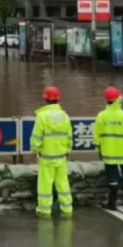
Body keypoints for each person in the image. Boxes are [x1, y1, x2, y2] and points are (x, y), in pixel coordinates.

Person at [92, 86, 123, 210]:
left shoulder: (101, 116)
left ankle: (112, 203)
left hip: (109, 154)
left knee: (112, 179)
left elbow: (96, 136)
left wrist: (99, 151)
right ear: (117, 99)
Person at [30, 86, 73, 217]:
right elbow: (69, 136)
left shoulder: (42, 116)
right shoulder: (64, 116)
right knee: (63, 183)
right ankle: (67, 208)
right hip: (61, 156)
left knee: (45, 184)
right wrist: (68, 150)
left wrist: (34, 151)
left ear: (45, 100)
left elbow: (37, 137)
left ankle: (44, 209)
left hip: (46, 157)